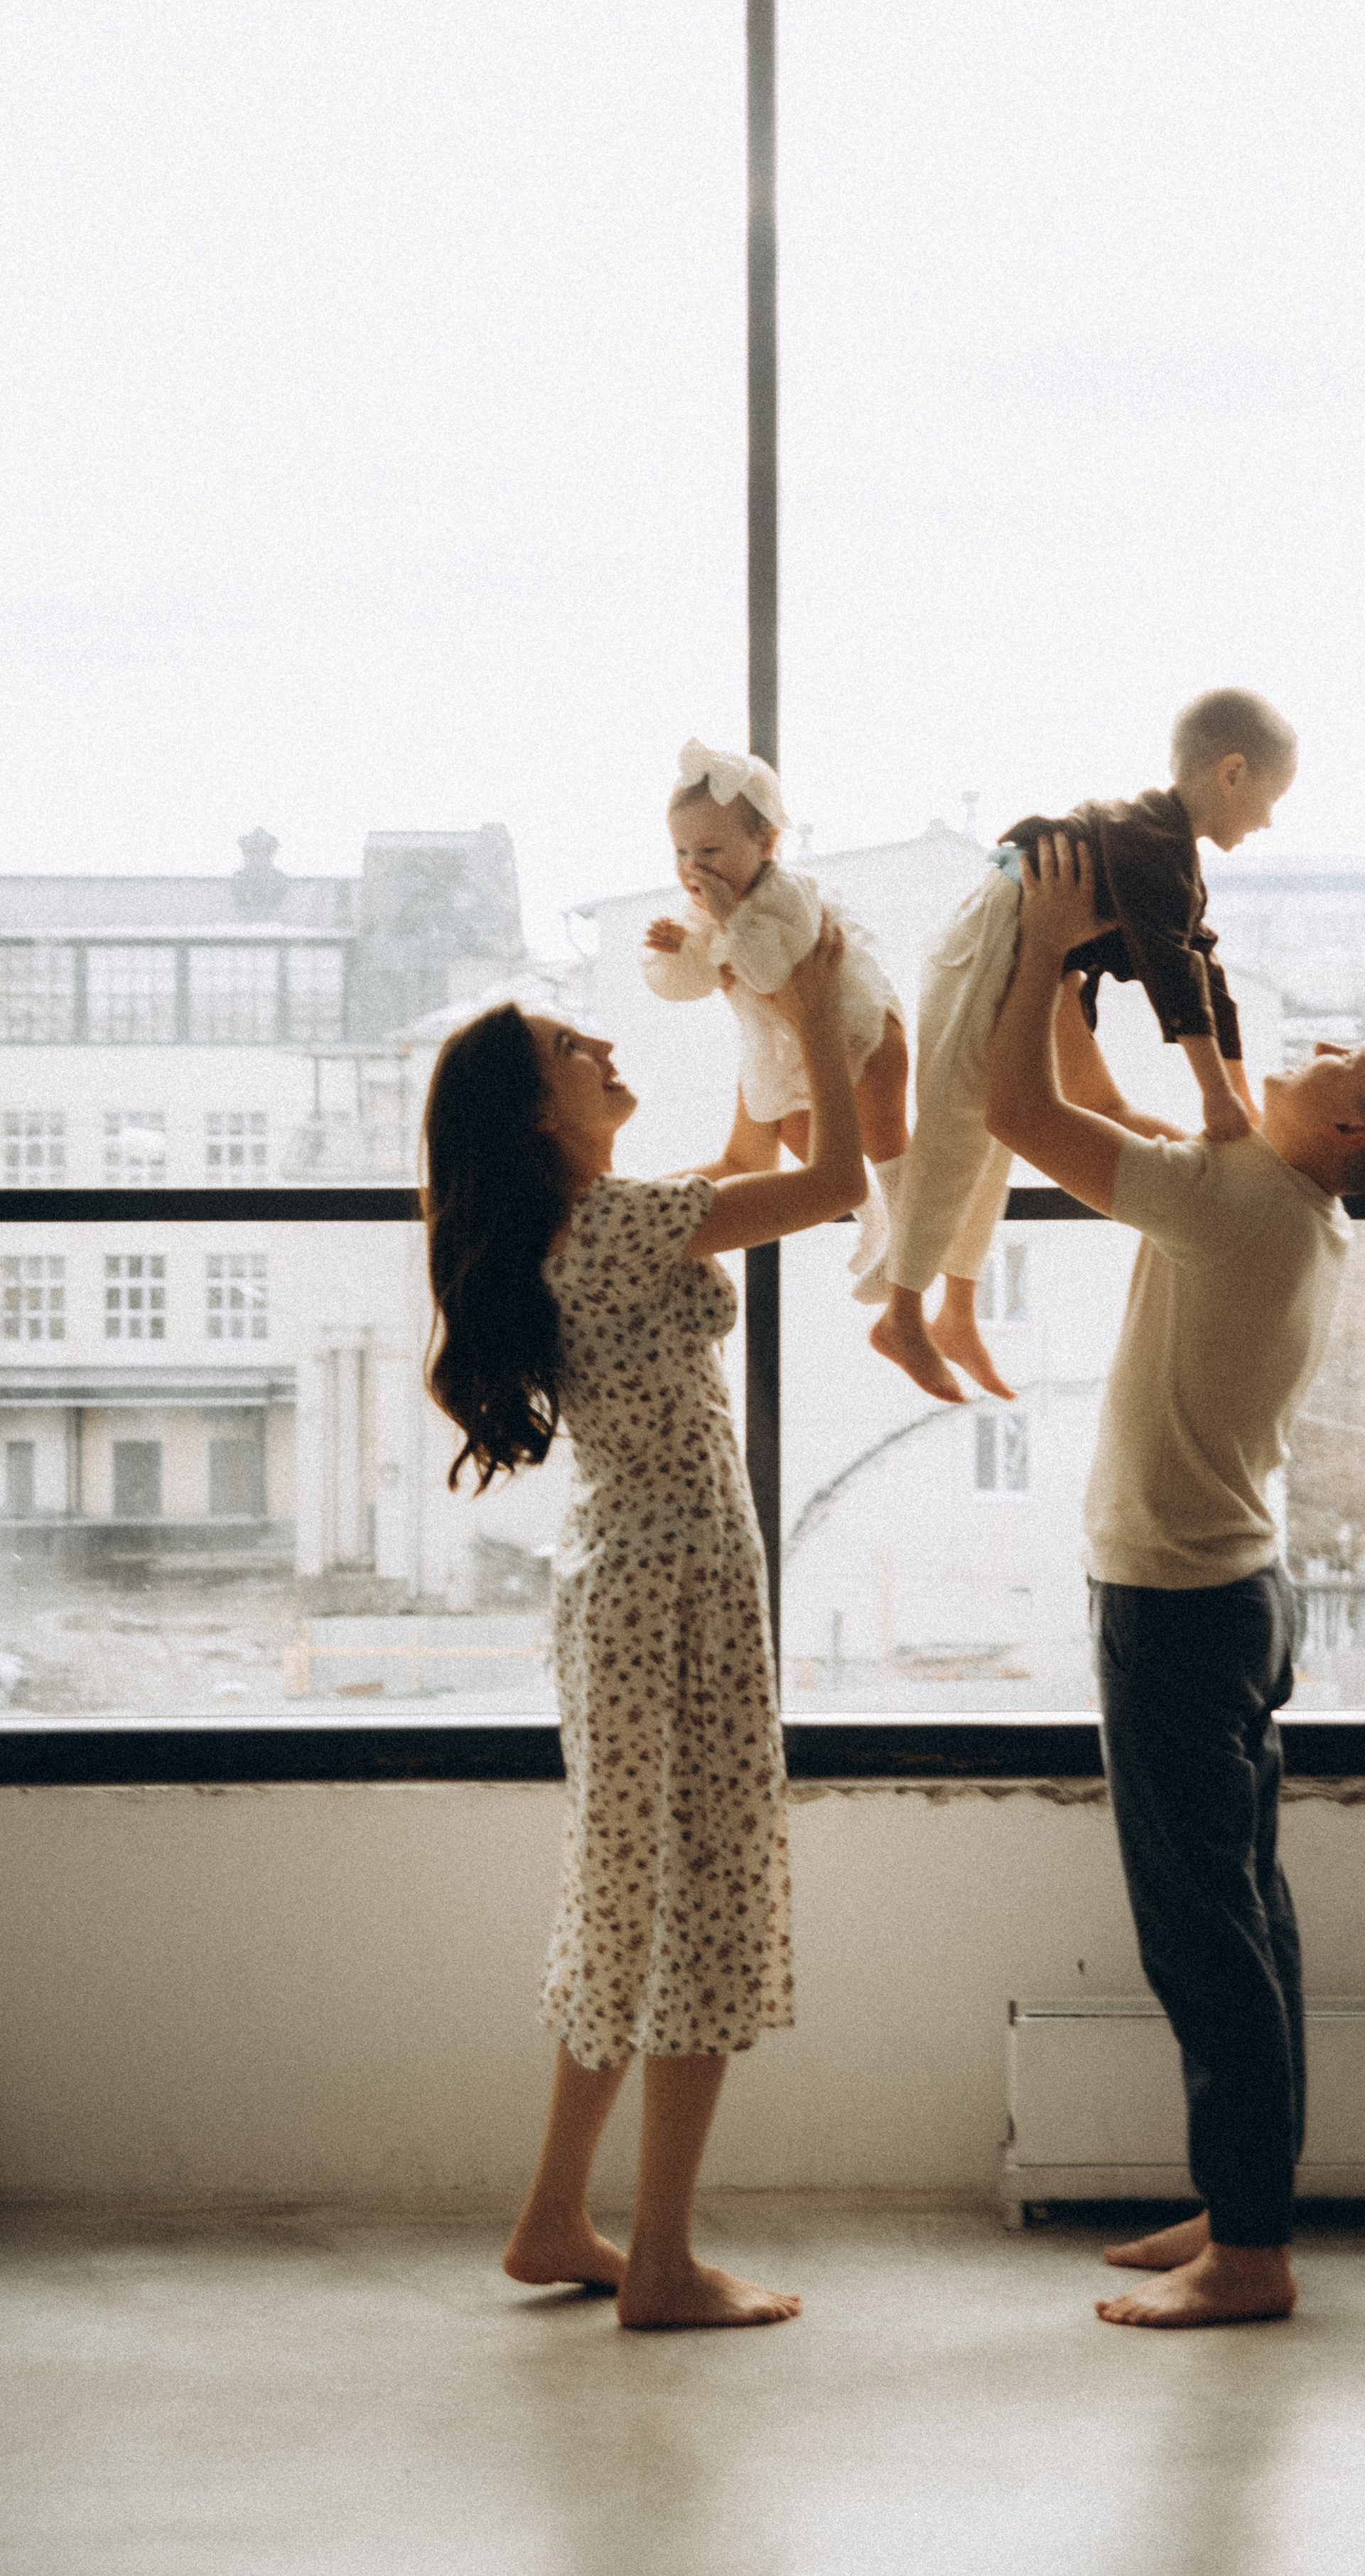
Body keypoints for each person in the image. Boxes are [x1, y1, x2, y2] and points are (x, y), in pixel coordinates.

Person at [986, 833, 1365, 2329]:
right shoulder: (1270, 1198)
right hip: (1232, 1597)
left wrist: (1025, 951)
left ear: (1344, 1141)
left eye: (1346, 1063)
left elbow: (1014, 1113)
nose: (1312, 1048)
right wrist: (1072, 970)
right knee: (1246, 1911)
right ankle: (1240, 2203)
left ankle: (1248, 2251)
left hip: (1179, 1610)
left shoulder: (1247, 1204)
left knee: (1201, 1928)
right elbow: (1112, 1110)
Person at [420, 919, 865, 2329]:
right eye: (571, 1047)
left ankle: (557, 2219)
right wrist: (816, 1001)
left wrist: (757, 1004)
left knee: (629, 1901)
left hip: (629, 1584)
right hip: (673, 1590)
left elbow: (741, 1155)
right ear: (534, 1115)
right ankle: (662, 2264)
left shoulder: (594, 1219)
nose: (606, 1046)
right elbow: (835, 1179)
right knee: (697, 1911)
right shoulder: (612, 1228)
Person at [868, 686, 1297, 1407]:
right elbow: (1171, 975)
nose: (1267, 820)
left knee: (990, 1141)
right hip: (991, 934)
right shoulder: (1153, 844)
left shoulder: (1171, 858)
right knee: (952, 1130)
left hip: (1017, 940)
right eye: (1269, 797)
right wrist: (1216, 1096)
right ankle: (901, 1313)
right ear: (1231, 774)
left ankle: (956, 1310)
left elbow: (1203, 972)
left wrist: (1237, 1089)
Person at [643, 739, 910, 1294]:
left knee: (883, 1134)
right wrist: (677, 954)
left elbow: (768, 975)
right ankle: (875, 1222)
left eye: (710, 851)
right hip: (792, 1046)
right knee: (800, 1134)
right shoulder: (703, 910)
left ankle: (908, 1236)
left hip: (859, 1035)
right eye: (681, 854)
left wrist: (726, 918)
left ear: (766, 843)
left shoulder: (786, 894)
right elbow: (695, 985)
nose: (694, 868)